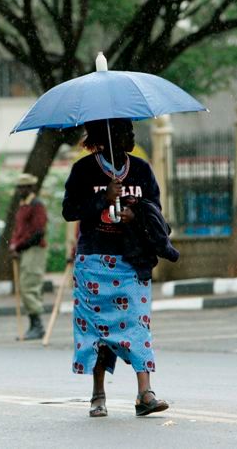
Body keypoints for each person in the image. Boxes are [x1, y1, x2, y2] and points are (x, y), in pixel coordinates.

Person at [62, 118, 179, 418]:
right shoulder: (83, 170)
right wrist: (103, 198)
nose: (129, 135)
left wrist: (134, 216)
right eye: (122, 131)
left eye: (129, 130)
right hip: (95, 263)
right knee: (98, 332)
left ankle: (145, 394)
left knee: (138, 326)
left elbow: (155, 211)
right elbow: (69, 211)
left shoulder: (141, 170)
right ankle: (98, 394)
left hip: (132, 262)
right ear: (106, 136)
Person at [9, 173, 48, 340]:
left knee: (29, 286)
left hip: (34, 249)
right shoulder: (22, 205)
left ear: (31, 188)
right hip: (24, 250)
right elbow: (19, 230)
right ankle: (33, 324)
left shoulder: (36, 205)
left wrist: (19, 245)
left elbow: (38, 232)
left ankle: (37, 325)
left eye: (23, 187)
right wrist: (14, 245)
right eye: (19, 187)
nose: (20, 190)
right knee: (24, 286)